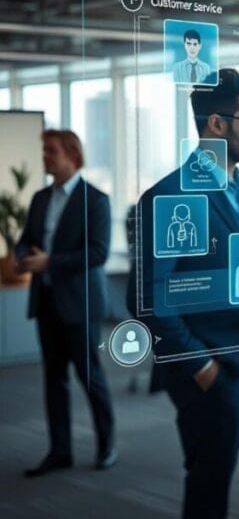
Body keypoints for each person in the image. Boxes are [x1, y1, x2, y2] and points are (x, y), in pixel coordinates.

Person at [130, 69, 239, 518]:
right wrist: (202, 367)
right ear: (217, 125)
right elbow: (150, 299)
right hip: (216, 375)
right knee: (210, 494)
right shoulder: (170, 196)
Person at [16, 129, 116, 478]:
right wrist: (23, 257)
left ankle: (107, 445)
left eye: (51, 151)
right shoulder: (41, 197)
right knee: (53, 379)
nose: (45, 157)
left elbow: (99, 253)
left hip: (80, 303)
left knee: (91, 377)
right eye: (44, 150)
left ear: (72, 156)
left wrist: (50, 262)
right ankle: (60, 451)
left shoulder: (96, 200)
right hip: (46, 301)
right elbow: (27, 240)